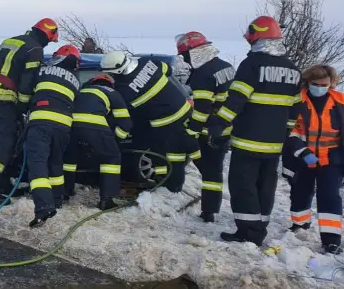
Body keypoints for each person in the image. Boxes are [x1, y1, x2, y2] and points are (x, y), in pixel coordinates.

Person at [210, 15, 302, 246]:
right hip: (274, 144)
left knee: (243, 186)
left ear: (256, 37)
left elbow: (236, 101)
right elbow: (295, 108)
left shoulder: (251, 64)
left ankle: (248, 233)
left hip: (248, 140)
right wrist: (285, 133)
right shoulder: (293, 69)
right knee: (265, 186)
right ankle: (259, 228)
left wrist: (218, 125)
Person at [0, 18, 60, 206]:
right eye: (50, 40)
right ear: (47, 34)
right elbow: (27, 82)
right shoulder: (35, 49)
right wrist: (23, 105)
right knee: (3, 145)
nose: (48, 44)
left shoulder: (11, 41)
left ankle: (2, 185)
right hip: (3, 99)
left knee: (0, 142)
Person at [100, 51, 201, 193]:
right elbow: (168, 70)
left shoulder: (125, 89)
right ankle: (167, 186)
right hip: (186, 111)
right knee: (168, 153)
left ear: (118, 71)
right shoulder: (147, 62)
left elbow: (127, 113)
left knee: (171, 157)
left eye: (111, 73)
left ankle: (171, 189)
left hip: (166, 123)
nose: (111, 76)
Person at [283, 64, 344, 254]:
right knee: (300, 192)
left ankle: (331, 240)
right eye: (316, 84)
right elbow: (289, 130)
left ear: (331, 83)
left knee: (329, 197)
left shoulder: (343, 101)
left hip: (331, 159)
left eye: (325, 84)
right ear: (308, 82)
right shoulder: (297, 100)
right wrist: (303, 153)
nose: (321, 87)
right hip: (303, 157)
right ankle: (300, 225)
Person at [176, 31, 236, 223]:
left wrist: (191, 130)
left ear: (193, 53)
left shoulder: (202, 75)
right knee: (214, 171)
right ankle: (210, 208)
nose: (185, 60)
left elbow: (202, 108)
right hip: (225, 128)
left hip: (208, 131)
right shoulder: (226, 66)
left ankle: (208, 212)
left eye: (185, 55)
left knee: (209, 171)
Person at [24, 45, 81, 228]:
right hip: (64, 126)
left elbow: (27, 88)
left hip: (41, 122)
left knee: (38, 163)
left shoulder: (44, 69)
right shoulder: (75, 80)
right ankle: (57, 199)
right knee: (55, 162)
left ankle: (44, 206)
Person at [62, 73, 133, 210]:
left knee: (69, 160)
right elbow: (126, 124)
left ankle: (65, 192)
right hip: (95, 126)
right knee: (111, 158)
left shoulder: (81, 91)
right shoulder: (112, 92)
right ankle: (107, 200)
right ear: (110, 84)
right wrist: (115, 141)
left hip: (70, 126)